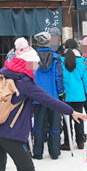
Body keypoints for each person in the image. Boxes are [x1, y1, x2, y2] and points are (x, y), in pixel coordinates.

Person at [0, 45, 87, 171]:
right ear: (28, 63)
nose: (36, 67)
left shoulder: (4, 74)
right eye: (35, 64)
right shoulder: (24, 82)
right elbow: (49, 100)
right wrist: (71, 111)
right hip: (10, 133)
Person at [32, 32, 65, 160]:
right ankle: (55, 152)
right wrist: (61, 93)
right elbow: (58, 77)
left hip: (38, 97)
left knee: (39, 126)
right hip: (53, 96)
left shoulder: (32, 58)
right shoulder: (56, 57)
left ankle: (38, 152)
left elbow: (30, 76)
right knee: (55, 125)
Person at [60, 39, 87, 150]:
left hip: (66, 96)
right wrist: (85, 92)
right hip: (79, 95)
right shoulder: (82, 62)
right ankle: (80, 142)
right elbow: (86, 81)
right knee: (79, 119)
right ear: (77, 47)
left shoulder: (61, 61)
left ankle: (68, 142)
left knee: (67, 119)